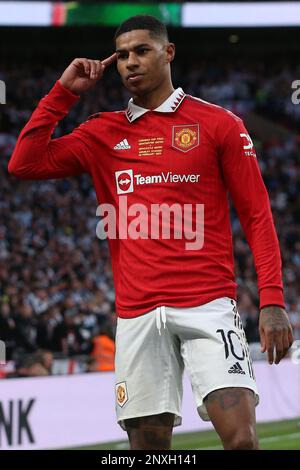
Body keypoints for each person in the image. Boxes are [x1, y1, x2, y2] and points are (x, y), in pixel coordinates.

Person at [8, 15, 294, 450]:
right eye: (122, 55)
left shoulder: (219, 124)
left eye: (142, 50)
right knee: (147, 447)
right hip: (137, 314)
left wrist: (272, 299)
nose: (130, 63)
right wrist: (63, 92)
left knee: (241, 440)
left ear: (168, 52)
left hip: (208, 305)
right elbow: (23, 163)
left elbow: (257, 215)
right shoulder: (102, 131)